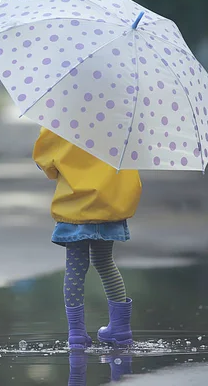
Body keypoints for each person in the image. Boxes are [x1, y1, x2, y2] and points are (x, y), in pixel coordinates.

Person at [33, 127, 142, 349]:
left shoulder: (60, 121)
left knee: (75, 266)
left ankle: (76, 333)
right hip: (109, 204)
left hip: (76, 206)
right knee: (105, 262)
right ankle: (121, 329)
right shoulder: (121, 120)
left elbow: (46, 164)